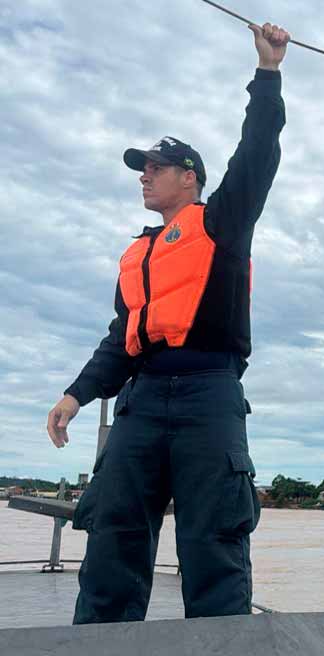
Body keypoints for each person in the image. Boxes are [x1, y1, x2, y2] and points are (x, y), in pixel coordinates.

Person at [45, 22, 290, 624]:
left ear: (190, 177)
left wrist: (268, 75)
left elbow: (257, 154)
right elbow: (119, 340)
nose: (144, 175)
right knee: (112, 535)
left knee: (213, 542)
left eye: (156, 167)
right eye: (142, 168)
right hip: (142, 400)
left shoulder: (223, 223)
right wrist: (77, 394)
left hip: (209, 396)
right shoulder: (137, 255)